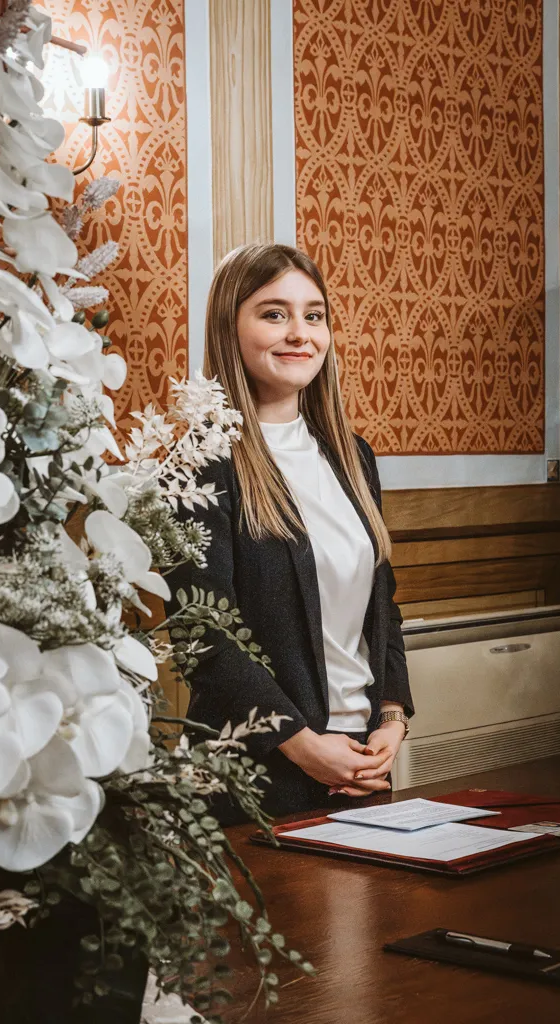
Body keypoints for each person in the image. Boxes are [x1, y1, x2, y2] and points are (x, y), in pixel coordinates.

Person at [164, 243, 413, 821]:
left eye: (314, 315)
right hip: (258, 774)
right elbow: (205, 639)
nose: (300, 333)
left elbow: (383, 607)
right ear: (231, 328)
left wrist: (393, 719)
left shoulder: (354, 457)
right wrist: (306, 748)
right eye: (274, 313)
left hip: (362, 764)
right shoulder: (201, 464)